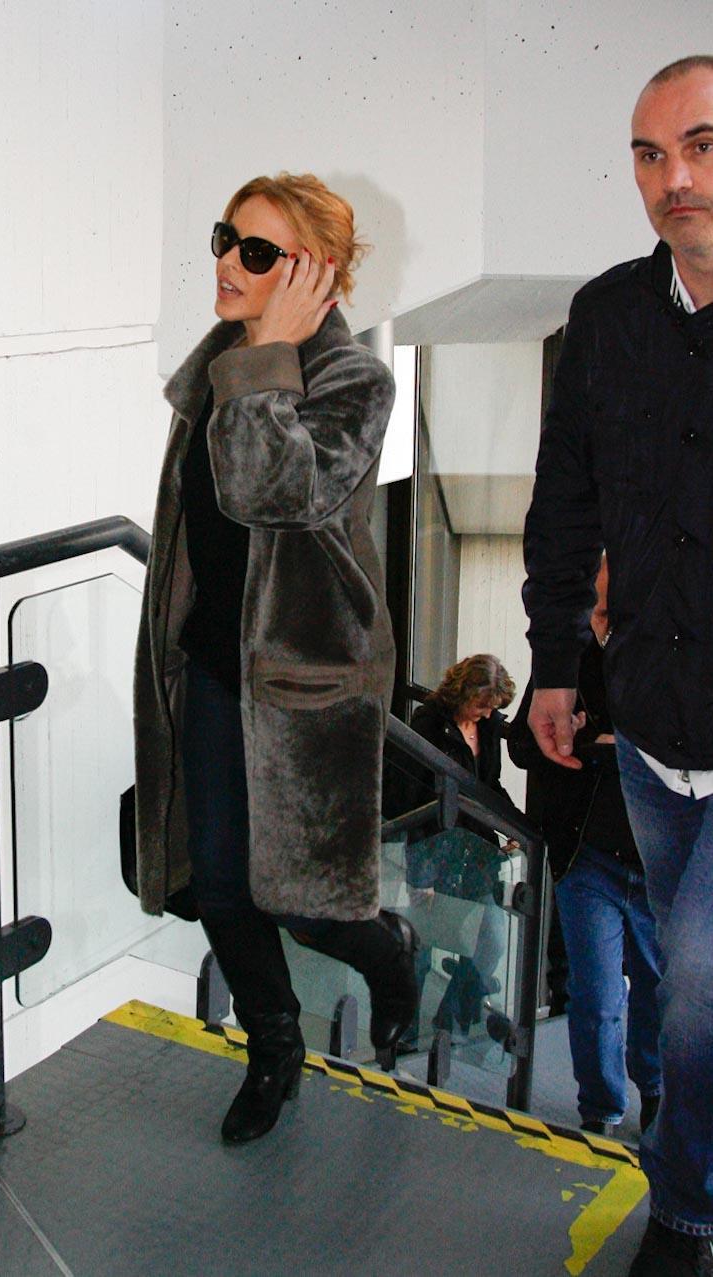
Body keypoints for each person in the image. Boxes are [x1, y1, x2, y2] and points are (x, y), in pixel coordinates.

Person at [132, 173, 419, 1145]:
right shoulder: (223, 363)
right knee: (219, 886)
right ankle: (273, 1045)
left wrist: (264, 357)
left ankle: (387, 953)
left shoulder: (353, 381)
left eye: (256, 252)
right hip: (215, 669)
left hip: (307, 682)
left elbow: (272, 492)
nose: (226, 262)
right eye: (226, 238)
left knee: (306, 903)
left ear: (316, 273)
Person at [522, 55, 713, 1275]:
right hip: (646, 736)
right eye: (649, 154)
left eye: (700, 145)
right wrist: (554, 664)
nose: (672, 177)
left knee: (693, 990)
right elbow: (564, 505)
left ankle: (684, 1215)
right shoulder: (604, 317)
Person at [509, 557, 661, 1138]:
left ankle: (655, 1090)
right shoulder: (565, 656)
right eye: (596, 610)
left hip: (656, 861)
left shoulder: (662, 655)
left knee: (657, 992)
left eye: (612, 612)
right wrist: (575, 736)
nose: (603, 622)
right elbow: (523, 743)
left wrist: (598, 741)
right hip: (586, 856)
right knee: (595, 995)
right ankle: (600, 1110)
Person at [405, 654, 519, 1039]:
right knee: (418, 947)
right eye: (482, 705)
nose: (487, 714)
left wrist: (510, 824)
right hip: (433, 851)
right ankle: (403, 1037)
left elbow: (489, 784)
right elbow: (411, 799)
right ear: (463, 693)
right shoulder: (429, 724)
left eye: (492, 708)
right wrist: (421, 876)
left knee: (492, 938)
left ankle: (449, 1020)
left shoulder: (488, 727)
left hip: (474, 853)